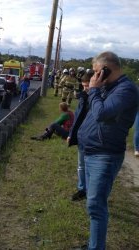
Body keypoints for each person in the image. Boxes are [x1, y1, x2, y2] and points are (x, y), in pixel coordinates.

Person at [77, 51, 139, 250]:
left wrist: (94, 90)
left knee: (96, 206)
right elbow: (91, 111)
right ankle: (92, 245)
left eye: (96, 71)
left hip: (105, 154)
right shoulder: (107, 87)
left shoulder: (126, 90)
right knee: (92, 204)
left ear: (106, 69)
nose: (94, 76)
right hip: (91, 151)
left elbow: (102, 113)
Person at [67, 72, 92, 201]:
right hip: (81, 137)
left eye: (87, 85)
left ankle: (91, 192)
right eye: (83, 86)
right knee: (81, 165)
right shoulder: (83, 97)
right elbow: (77, 118)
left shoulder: (100, 98)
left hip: (93, 139)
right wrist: (71, 134)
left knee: (90, 168)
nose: (85, 89)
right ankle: (82, 189)